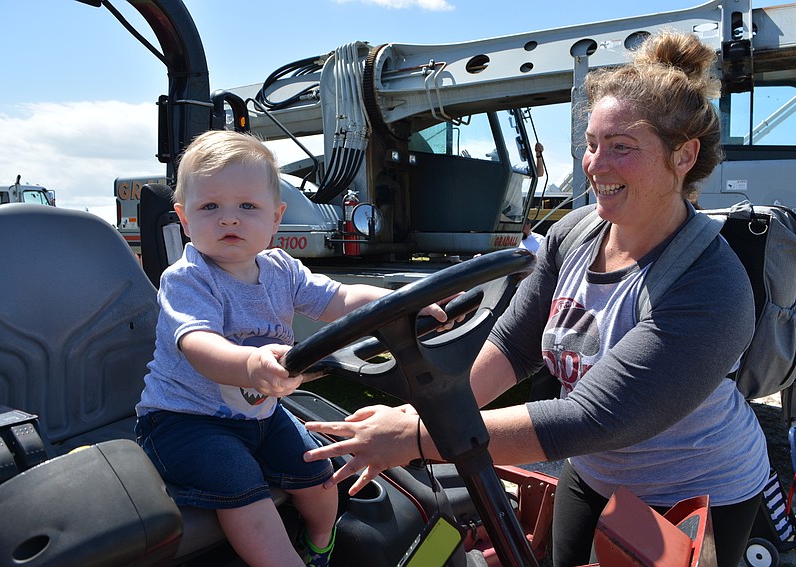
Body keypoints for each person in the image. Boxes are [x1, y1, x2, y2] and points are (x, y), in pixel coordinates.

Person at [302, 30, 767, 567]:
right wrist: (422, 413)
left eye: (622, 147)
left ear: (683, 156)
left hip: (689, 491)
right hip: (593, 472)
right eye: (592, 143)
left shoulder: (708, 284)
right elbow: (517, 345)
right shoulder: (575, 232)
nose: (596, 165)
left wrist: (414, 436)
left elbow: (596, 418)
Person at [134, 130, 449, 567]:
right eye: (210, 207)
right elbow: (197, 345)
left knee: (319, 476)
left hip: (261, 412)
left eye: (247, 206)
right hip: (186, 419)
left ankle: (319, 545)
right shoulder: (188, 278)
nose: (229, 219)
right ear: (184, 219)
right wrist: (249, 362)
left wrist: (398, 300)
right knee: (244, 490)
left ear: (276, 217)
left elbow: (338, 299)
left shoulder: (282, 268)